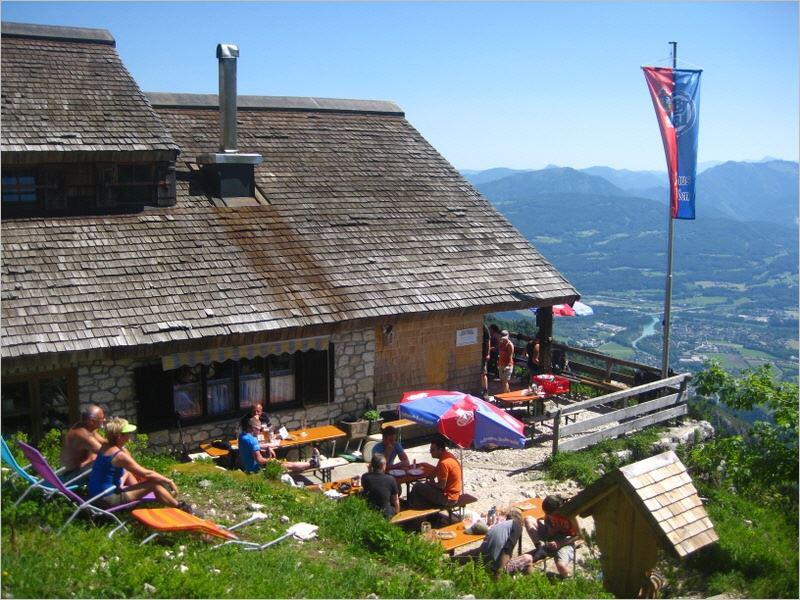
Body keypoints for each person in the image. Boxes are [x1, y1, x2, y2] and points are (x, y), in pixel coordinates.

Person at [87, 417, 186, 511]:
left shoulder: (104, 446)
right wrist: (169, 481)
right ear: (119, 437)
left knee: (150, 482)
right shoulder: (119, 456)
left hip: (94, 497)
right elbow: (147, 474)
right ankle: (181, 508)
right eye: (128, 433)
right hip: (107, 500)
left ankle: (172, 504)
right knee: (154, 485)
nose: (130, 435)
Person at [513, 494, 579, 578]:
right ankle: (540, 549)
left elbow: (579, 536)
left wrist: (559, 543)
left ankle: (566, 580)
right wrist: (550, 529)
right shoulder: (549, 512)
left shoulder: (570, 515)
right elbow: (546, 519)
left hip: (565, 541)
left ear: (557, 510)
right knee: (528, 519)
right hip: (551, 534)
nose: (548, 515)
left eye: (549, 513)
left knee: (561, 566)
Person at [238, 417, 319, 475]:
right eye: (259, 430)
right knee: (287, 464)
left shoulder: (242, 436)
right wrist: (271, 460)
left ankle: (311, 463)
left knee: (285, 464)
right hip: (257, 471)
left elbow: (251, 447)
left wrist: (267, 447)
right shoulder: (253, 440)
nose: (260, 432)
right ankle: (312, 463)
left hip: (248, 469)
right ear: (253, 428)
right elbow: (260, 460)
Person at [407, 436, 462, 509]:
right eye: (430, 449)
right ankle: (417, 505)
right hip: (454, 495)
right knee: (424, 487)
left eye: (433, 450)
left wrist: (431, 483)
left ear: (440, 450)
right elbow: (436, 470)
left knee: (417, 486)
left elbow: (441, 486)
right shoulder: (447, 456)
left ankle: (412, 507)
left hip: (448, 498)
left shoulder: (444, 463)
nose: (430, 452)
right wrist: (431, 478)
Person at [59, 404, 106, 482]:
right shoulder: (83, 436)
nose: (104, 420)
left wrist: (120, 445)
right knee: (110, 460)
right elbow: (107, 453)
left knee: (116, 455)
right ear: (92, 421)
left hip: (77, 469)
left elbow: (104, 442)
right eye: (101, 418)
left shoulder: (83, 426)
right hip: (72, 476)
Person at [479, 508, 526, 577]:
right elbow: (507, 550)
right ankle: (529, 583)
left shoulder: (499, 526)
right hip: (495, 568)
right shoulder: (517, 525)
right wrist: (499, 573)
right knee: (528, 559)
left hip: (482, 563)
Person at [360, 453, 400, 519]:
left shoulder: (365, 477)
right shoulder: (390, 479)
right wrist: (397, 511)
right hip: (386, 515)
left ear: (371, 465)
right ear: (383, 466)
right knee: (392, 502)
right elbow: (395, 499)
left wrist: (369, 470)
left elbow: (367, 484)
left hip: (371, 512)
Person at [498, 330, 515, 394]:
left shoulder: (510, 345)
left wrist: (507, 366)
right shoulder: (501, 343)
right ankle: (508, 394)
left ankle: (505, 396)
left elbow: (510, 357)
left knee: (505, 381)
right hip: (501, 364)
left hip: (507, 365)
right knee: (503, 381)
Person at [480, 324, 491, 398]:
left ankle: (485, 391)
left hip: (483, 354)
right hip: (479, 353)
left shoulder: (484, 327)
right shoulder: (483, 326)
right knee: (483, 374)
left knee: (483, 373)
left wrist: (487, 354)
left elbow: (488, 341)